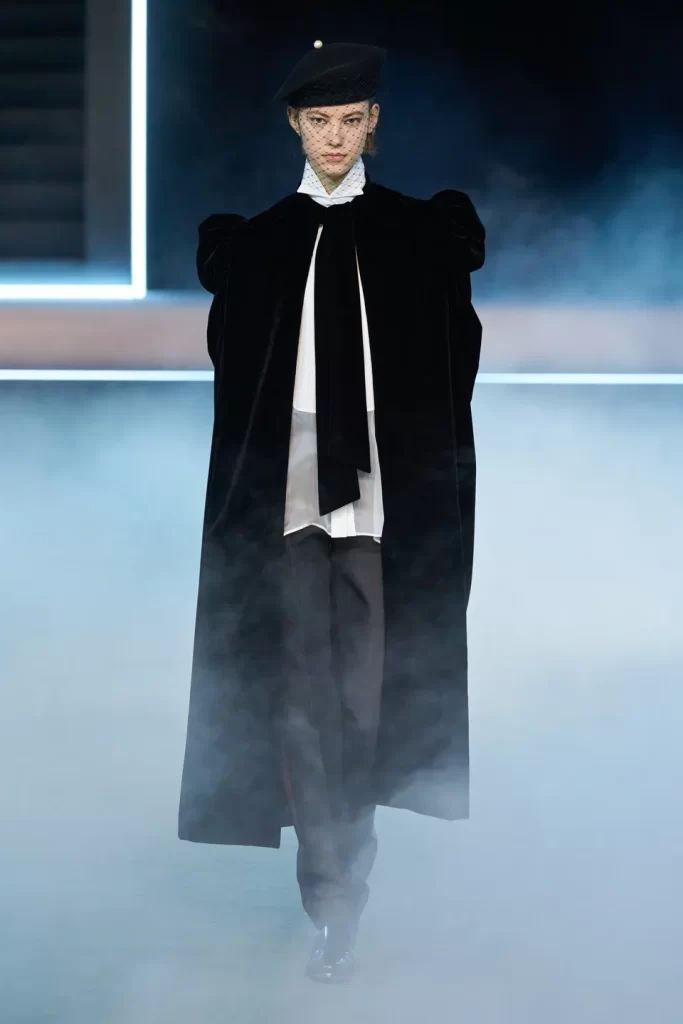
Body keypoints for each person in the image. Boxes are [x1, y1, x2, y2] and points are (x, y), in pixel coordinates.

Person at [178, 41, 486, 984]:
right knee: (305, 711)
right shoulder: (255, 247)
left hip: (383, 516)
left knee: (365, 706)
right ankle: (333, 906)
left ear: (373, 123)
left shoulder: (419, 237)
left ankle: (350, 876)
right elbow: (236, 385)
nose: (335, 138)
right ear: (294, 125)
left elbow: (453, 369)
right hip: (286, 510)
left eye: (351, 120)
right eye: (319, 121)